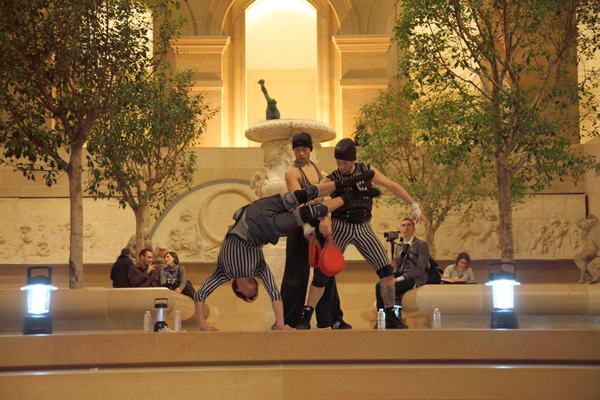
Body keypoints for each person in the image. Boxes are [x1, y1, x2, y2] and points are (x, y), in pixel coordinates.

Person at [193, 172, 381, 331]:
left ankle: (344, 183)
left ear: (237, 289)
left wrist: (202, 325)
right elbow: (275, 294)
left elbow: (199, 295)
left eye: (248, 294)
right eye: (254, 294)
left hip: (254, 211)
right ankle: (351, 194)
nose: (252, 291)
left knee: (301, 195)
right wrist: (281, 325)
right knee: (307, 211)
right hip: (264, 229)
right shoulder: (259, 269)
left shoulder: (223, 273)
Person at [296, 138, 428, 330]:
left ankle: (391, 315)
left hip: (363, 228)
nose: (341, 166)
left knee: (386, 271)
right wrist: (324, 218)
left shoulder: (366, 171)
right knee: (322, 273)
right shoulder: (333, 178)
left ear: (353, 160)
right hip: (341, 227)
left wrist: (413, 205)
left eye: (345, 163)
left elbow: (391, 185)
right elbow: (315, 198)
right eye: (338, 162)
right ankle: (306, 316)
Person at [280, 132, 350, 330]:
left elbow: (324, 194)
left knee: (326, 271)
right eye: (297, 150)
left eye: (305, 149)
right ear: (293, 151)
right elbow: (300, 201)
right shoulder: (291, 172)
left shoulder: (316, 167)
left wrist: (325, 217)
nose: (301, 153)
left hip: (320, 221)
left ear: (311, 149)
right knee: (296, 275)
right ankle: (288, 321)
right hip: (303, 224)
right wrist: (309, 225)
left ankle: (332, 319)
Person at [374, 218, 430, 327]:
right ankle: (381, 317)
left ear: (414, 229)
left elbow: (421, 268)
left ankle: (392, 318)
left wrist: (399, 278)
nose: (406, 228)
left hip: (415, 279)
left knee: (391, 285)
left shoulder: (421, 244)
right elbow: (399, 270)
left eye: (409, 225)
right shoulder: (399, 246)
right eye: (403, 225)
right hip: (402, 278)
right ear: (400, 229)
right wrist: (393, 268)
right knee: (379, 285)